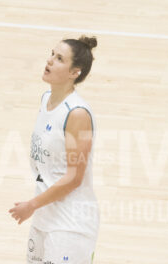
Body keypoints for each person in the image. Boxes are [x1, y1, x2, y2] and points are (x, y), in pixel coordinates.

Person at [9, 36, 100, 263]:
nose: (49, 61)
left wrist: (31, 205)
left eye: (59, 59)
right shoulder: (46, 99)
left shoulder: (77, 114)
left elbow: (74, 178)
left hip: (71, 225)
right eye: (51, 54)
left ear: (74, 72)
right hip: (44, 217)